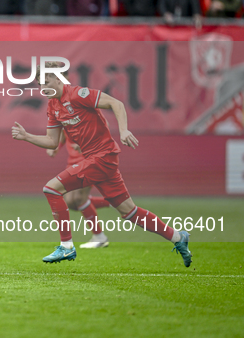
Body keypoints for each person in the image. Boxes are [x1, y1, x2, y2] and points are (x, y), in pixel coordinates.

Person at [11, 61, 192, 267]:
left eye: (45, 82)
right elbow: (52, 141)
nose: (42, 88)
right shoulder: (53, 106)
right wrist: (26, 136)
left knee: (51, 189)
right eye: (39, 84)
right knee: (129, 211)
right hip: (99, 159)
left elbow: (117, 103)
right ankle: (177, 237)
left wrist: (123, 130)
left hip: (102, 156)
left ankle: (67, 246)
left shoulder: (79, 94)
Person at [47, 126, 111, 248]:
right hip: (72, 161)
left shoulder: (86, 108)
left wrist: (90, 144)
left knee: (78, 198)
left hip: (88, 158)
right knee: (70, 202)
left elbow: (102, 128)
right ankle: (112, 202)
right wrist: (57, 147)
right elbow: (64, 131)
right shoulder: (63, 111)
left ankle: (99, 237)